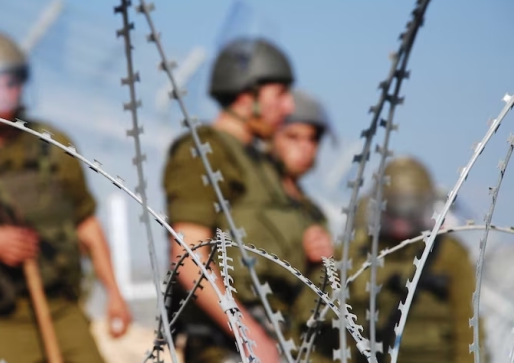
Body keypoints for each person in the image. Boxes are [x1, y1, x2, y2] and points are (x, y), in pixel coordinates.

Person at [0, 31, 132, 363]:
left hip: (62, 309)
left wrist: (114, 294)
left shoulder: (51, 146)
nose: (3, 92)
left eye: (11, 81)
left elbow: (85, 223)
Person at [162, 37, 333, 363]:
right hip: (229, 346)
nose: (289, 107)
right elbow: (188, 255)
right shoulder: (206, 152)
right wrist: (247, 332)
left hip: (283, 337)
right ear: (247, 95)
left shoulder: (264, 167)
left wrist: (314, 248)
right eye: (280, 95)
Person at [346, 155, 483, 363]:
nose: (401, 226)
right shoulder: (358, 250)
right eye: (394, 212)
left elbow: (468, 332)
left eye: (410, 213)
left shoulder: (449, 255)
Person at [268, 89, 338, 362]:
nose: (305, 147)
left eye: (312, 139)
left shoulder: (311, 212)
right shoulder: (250, 198)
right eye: (293, 137)